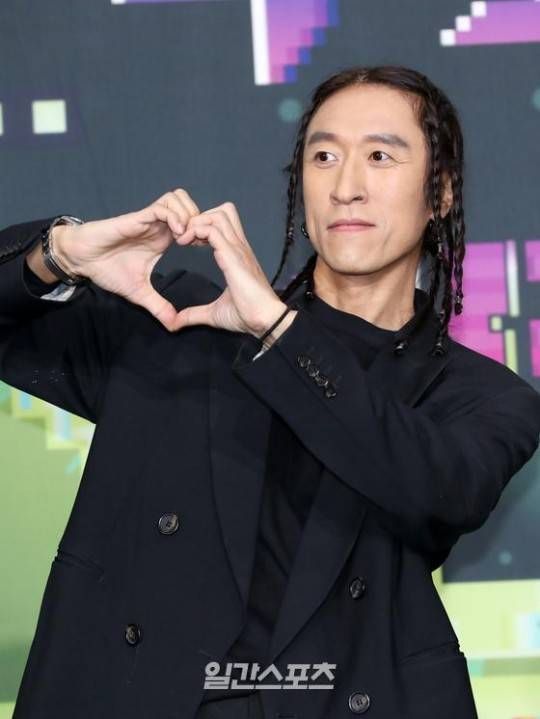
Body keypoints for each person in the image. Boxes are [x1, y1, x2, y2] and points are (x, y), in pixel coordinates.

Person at [1, 65, 539, 719]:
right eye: (323, 156)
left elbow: (432, 485)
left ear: (441, 192)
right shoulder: (182, 322)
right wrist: (58, 253)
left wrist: (279, 333)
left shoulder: (484, 397)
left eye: (379, 156)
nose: (346, 186)